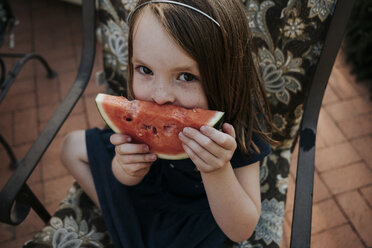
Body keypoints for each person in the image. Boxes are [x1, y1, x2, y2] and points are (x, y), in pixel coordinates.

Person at [61, 0, 275, 247]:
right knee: (70, 147)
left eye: (186, 76)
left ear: (227, 76)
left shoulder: (242, 118)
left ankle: (127, 226)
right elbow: (124, 175)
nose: (160, 96)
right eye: (145, 70)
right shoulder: (146, 97)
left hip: (197, 212)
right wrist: (125, 169)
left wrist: (216, 170)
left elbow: (242, 230)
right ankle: (123, 220)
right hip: (148, 185)